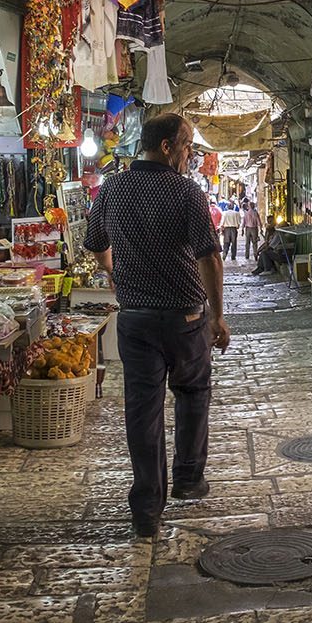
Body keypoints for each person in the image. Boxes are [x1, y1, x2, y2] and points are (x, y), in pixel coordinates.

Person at [84, 113, 231, 538]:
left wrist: (114, 272)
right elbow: (209, 256)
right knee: (192, 392)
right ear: (167, 147)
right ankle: (187, 478)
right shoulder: (186, 192)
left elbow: (96, 245)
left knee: (142, 412)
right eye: (186, 146)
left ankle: (147, 510)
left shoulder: (112, 188)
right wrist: (218, 315)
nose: (189, 156)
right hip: (186, 318)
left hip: (136, 321)